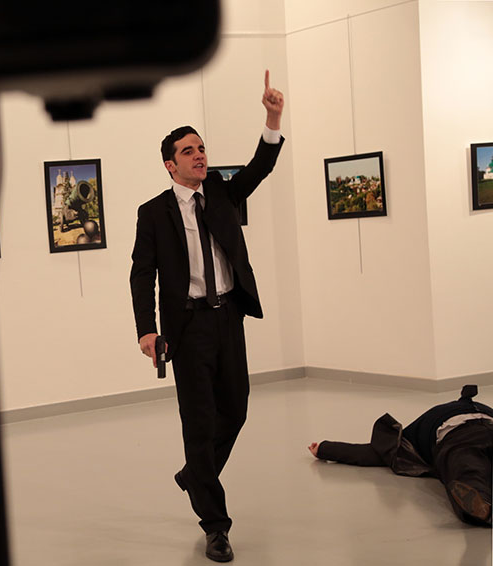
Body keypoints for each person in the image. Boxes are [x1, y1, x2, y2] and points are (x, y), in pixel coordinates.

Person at [129, 70, 284, 562]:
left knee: (235, 409)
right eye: (189, 152)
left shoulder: (220, 192)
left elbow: (259, 169)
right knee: (198, 423)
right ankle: (215, 525)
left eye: (201, 148)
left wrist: (272, 118)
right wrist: (147, 329)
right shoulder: (153, 213)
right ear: (171, 166)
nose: (200, 156)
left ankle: (195, 474)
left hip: (227, 317)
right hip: (188, 326)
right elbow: (142, 274)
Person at [308, 384, 493, 526]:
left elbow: (369, 452)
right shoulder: (480, 407)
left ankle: (482, 507)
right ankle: (480, 506)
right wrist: (325, 448)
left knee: (466, 467)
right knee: (468, 465)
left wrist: (325, 448)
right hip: (471, 431)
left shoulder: (416, 431)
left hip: (455, 437)